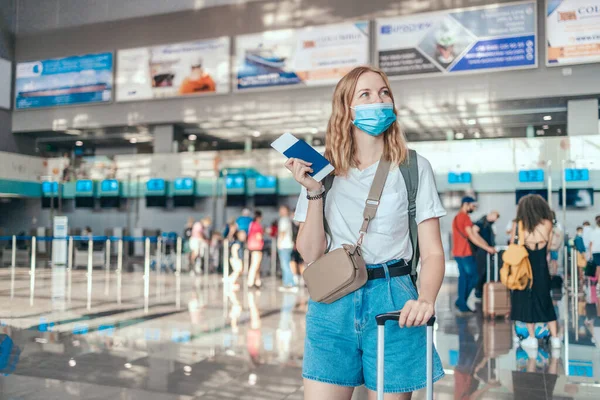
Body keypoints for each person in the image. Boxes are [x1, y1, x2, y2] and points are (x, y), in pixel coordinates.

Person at [287, 66, 446, 399]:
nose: (379, 100)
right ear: (347, 109)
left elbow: (432, 252)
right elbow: (310, 252)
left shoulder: (414, 167)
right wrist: (314, 192)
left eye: (384, 92)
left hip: (394, 301)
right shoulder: (322, 170)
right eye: (366, 94)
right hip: (333, 301)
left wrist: (426, 299)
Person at [509, 194, 561, 350]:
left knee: (527, 300)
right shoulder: (547, 224)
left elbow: (513, 245)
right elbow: (550, 247)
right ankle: (555, 339)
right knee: (546, 301)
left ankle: (531, 338)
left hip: (525, 270)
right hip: (542, 269)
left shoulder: (519, 225)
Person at [452, 197, 496, 314]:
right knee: (475, 276)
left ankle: (461, 302)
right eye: (473, 205)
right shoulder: (465, 217)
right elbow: (472, 236)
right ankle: (461, 301)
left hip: (457, 252)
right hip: (465, 253)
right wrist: (487, 247)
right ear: (466, 204)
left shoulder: (456, 217)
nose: (474, 208)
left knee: (464, 278)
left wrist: (486, 245)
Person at [473, 211, 500, 299]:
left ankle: (482, 290)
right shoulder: (481, 222)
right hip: (482, 250)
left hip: (487, 250)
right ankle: (478, 291)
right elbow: (474, 231)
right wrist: (484, 244)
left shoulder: (489, 224)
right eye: (495, 217)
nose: (495, 219)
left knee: (486, 270)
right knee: (482, 270)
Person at [277, 205, 297, 292]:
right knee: (286, 264)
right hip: (288, 245)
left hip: (284, 245)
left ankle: (291, 283)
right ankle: (286, 283)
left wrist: (279, 242)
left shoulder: (283, 220)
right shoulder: (288, 220)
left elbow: (282, 232)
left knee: (285, 265)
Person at [246, 211, 264, 289]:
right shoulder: (257, 226)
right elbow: (258, 236)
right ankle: (250, 282)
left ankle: (257, 281)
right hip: (257, 247)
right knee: (255, 265)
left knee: (256, 265)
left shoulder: (251, 224)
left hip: (251, 246)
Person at [549, 212, 563, 276]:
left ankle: (553, 275)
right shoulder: (546, 224)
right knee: (550, 261)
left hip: (554, 246)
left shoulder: (557, 225)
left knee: (554, 261)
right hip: (550, 246)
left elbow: (560, 236)